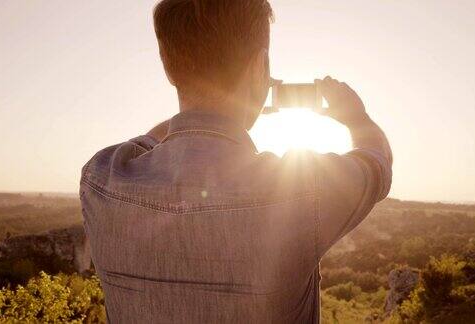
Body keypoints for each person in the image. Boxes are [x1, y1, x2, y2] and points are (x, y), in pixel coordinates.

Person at [79, 0, 392, 322]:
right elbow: (377, 161)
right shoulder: (304, 191)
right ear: (261, 65)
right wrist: (358, 118)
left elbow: (151, 141)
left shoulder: (102, 179)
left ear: (166, 65)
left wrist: (207, 107)